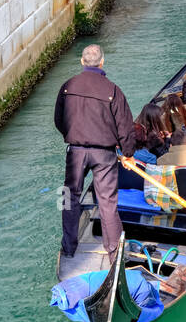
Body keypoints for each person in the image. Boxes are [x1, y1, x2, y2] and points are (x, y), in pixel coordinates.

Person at [54, 44, 136, 262]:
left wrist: (71, 136)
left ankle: (69, 246)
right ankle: (114, 253)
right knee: (107, 202)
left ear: (82, 62)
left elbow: (59, 120)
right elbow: (125, 127)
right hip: (104, 154)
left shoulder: (67, 86)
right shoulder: (113, 90)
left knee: (67, 197)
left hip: (76, 152)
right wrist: (127, 153)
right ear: (102, 62)